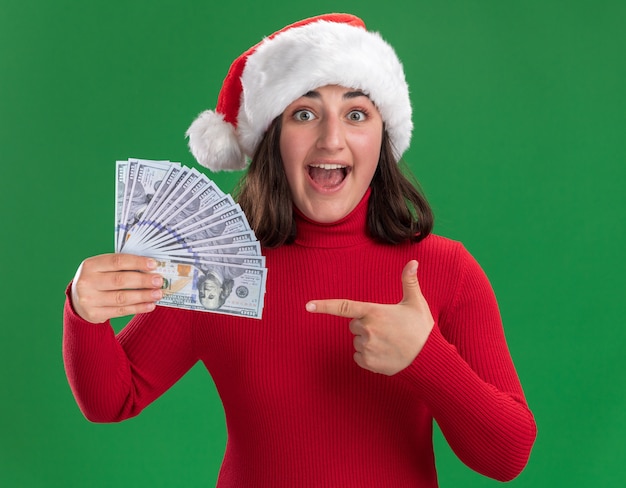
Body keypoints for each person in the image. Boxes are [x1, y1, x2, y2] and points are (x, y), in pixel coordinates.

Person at [64, 13, 537, 487]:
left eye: (356, 114)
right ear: (273, 140)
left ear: (383, 137)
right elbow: (112, 400)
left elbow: (508, 455)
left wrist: (426, 358)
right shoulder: (219, 269)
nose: (331, 139)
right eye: (304, 114)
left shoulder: (445, 269)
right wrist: (84, 310)